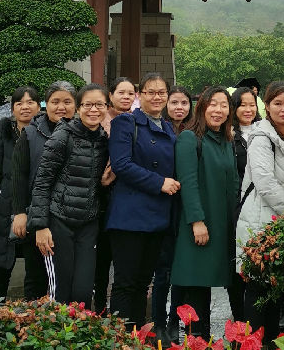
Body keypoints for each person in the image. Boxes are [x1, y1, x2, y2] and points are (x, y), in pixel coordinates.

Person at [106, 74, 178, 333]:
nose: (156, 97)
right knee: (125, 282)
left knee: (143, 283)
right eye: (150, 92)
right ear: (141, 95)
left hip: (158, 216)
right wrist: (159, 182)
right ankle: (120, 339)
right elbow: (121, 164)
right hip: (130, 216)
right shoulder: (126, 122)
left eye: (161, 92)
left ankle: (136, 338)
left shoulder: (168, 127)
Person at [29, 83, 113, 305]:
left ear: (107, 107)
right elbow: (42, 182)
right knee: (61, 293)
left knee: (83, 292)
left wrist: (104, 184)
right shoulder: (63, 136)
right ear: (78, 108)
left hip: (88, 224)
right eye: (87, 105)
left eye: (99, 105)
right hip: (59, 221)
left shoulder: (104, 140)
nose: (93, 110)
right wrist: (40, 226)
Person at [171, 86, 239, 340]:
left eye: (224, 105)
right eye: (213, 104)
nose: (218, 110)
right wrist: (197, 221)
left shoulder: (226, 140)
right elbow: (188, 182)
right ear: (202, 107)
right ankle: (196, 344)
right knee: (197, 284)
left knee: (215, 280)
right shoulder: (190, 138)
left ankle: (209, 344)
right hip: (199, 222)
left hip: (223, 222)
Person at [235, 82, 284, 347]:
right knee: (258, 288)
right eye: (277, 104)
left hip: (281, 222)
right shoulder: (261, 137)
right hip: (260, 218)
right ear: (267, 106)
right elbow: (265, 183)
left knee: (276, 288)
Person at [10, 81, 77, 299]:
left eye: (67, 102)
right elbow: (19, 175)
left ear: (75, 105)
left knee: (68, 276)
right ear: (46, 104)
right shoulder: (31, 133)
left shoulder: (84, 132)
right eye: (55, 102)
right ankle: (34, 317)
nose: (61, 107)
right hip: (38, 213)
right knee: (36, 275)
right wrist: (20, 212)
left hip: (71, 216)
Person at [0, 86, 40, 299]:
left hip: (37, 211)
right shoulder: (2, 138)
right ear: (13, 109)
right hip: (5, 211)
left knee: (36, 271)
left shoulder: (46, 136)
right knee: (1, 266)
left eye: (30, 102)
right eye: (19, 103)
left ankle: (36, 313)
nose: (25, 107)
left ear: (39, 107)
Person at [153, 85, 194, 344]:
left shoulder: (194, 132)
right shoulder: (160, 130)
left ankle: (174, 321)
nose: (179, 107)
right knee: (163, 269)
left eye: (184, 103)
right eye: (174, 102)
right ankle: (158, 322)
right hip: (163, 205)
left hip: (185, 206)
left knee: (181, 269)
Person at [95, 76, 137, 314]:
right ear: (110, 95)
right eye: (121, 92)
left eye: (130, 93)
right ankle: (100, 307)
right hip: (102, 194)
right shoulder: (101, 120)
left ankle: (121, 310)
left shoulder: (136, 120)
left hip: (126, 195)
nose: (126, 97)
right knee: (102, 258)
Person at [228, 85, 260, 322]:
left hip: (260, 206)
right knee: (237, 265)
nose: (248, 110)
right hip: (235, 207)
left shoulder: (264, 131)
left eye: (252, 105)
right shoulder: (228, 134)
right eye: (242, 105)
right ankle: (239, 321)